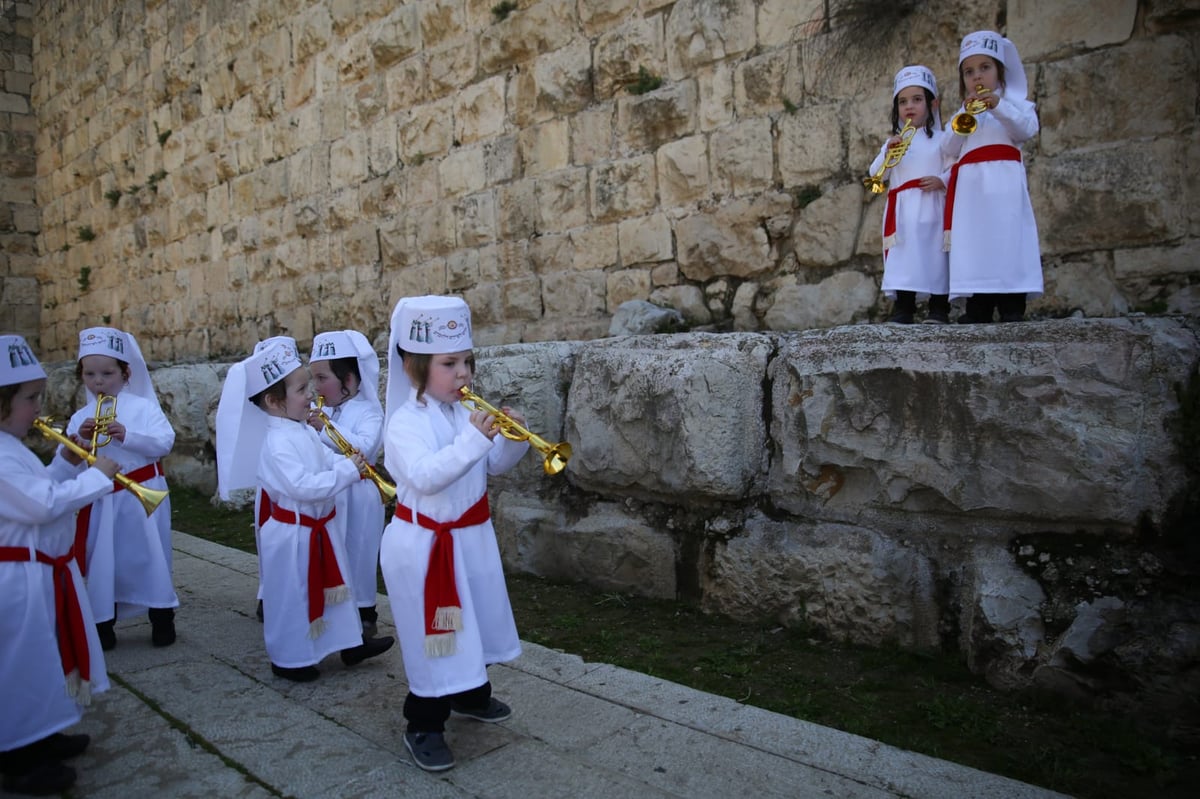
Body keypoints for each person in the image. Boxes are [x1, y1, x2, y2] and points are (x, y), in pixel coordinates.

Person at [380, 295, 528, 772]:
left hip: (470, 536)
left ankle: (472, 693)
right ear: (414, 369)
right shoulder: (403, 424)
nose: (463, 373)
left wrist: (512, 441)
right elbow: (425, 476)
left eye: (467, 361)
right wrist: (474, 439)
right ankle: (423, 722)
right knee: (435, 638)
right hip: (425, 549)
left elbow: (490, 465)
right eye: (449, 364)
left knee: (476, 622)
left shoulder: (464, 415)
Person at [215, 338, 394, 682]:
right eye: (301, 389)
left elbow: (323, 456)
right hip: (294, 535)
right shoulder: (277, 442)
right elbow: (303, 486)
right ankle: (291, 659)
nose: (311, 394)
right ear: (273, 401)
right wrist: (347, 470)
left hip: (318, 528)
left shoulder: (298, 430)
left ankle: (350, 644)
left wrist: (344, 461)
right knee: (295, 599)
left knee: (335, 594)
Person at [0, 334, 120, 796]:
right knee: (20, 667)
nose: (38, 408)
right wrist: (96, 477)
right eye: (30, 399)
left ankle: (43, 733)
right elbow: (42, 506)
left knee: (42, 660)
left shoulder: (13, 447)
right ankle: (20, 758)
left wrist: (68, 460)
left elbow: (45, 486)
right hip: (17, 581)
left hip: (39, 575)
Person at [62, 327, 178, 650]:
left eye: (108, 373)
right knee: (104, 560)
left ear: (126, 373)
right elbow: (70, 459)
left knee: (152, 554)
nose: (99, 381)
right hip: (104, 498)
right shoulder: (80, 417)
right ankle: (103, 623)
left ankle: (162, 618)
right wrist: (82, 438)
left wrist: (127, 435)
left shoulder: (143, 408)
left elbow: (165, 442)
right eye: (90, 374)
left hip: (144, 492)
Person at [941, 30, 1042, 323]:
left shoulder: (1016, 104)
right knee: (975, 244)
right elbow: (948, 147)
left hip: (1003, 184)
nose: (977, 77)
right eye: (969, 71)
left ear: (1000, 71)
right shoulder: (963, 112)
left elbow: (1026, 129)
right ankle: (979, 305)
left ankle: (1012, 304)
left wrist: (998, 106)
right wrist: (963, 122)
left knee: (1008, 240)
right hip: (972, 190)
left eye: (985, 68)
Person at [307, 330, 386, 638]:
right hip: (332, 492)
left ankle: (365, 612)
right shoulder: (323, 410)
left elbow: (362, 448)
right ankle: (333, 610)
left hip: (362, 493)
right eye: (314, 378)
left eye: (322, 377)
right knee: (334, 551)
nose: (317, 387)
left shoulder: (369, 412)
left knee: (360, 551)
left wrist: (325, 427)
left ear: (350, 380)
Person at [868, 65, 951, 324]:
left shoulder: (942, 138)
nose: (909, 106)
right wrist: (886, 153)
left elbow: (952, 167)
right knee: (904, 259)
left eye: (917, 99)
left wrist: (942, 181)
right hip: (903, 210)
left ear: (932, 104)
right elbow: (876, 174)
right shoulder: (893, 143)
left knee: (937, 257)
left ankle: (939, 309)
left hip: (933, 206)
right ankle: (904, 308)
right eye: (903, 101)